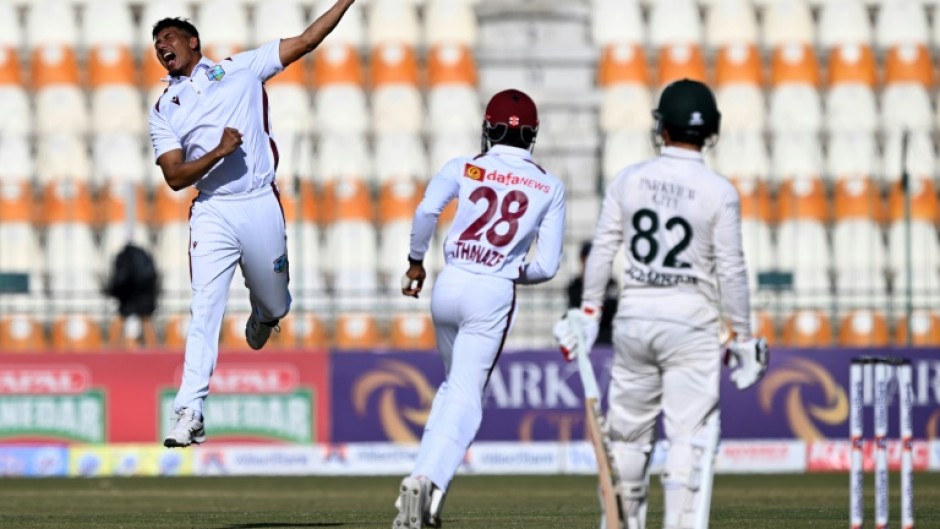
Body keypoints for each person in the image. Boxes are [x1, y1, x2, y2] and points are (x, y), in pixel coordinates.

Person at [553, 79, 769, 529]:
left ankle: (623, 521)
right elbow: (731, 270)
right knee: (689, 441)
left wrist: (589, 313)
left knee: (628, 440)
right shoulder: (719, 191)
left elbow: (601, 251)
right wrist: (744, 338)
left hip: (634, 320)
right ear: (710, 130)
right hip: (691, 325)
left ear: (663, 128)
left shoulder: (630, 179)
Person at [149, 1, 356, 448]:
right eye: (157, 43)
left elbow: (306, 40)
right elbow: (174, 177)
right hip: (213, 210)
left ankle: (265, 316)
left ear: (193, 42)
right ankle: (190, 409)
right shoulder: (164, 108)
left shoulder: (239, 69)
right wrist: (218, 154)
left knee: (277, 303)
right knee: (204, 307)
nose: (162, 45)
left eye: (169, 37)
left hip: (260, 201)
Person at [396, 89, 566, 528]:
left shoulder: (464, 166)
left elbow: (426, 211)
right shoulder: (548, 184)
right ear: (532, 135)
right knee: (468, 396)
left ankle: (423, 494)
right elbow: (546, 267)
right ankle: (427, 479)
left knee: (453, 389)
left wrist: (416, 262)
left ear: (488, 128)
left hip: (449, 282)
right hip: (490, 290)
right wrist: (508, 271)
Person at [567, 241, 618, 345]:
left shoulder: (611, 283)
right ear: (582, 259)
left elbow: (610, 312)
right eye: (589, 257)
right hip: (582, 339)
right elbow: (578, 314)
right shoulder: (575, 286)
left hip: (606, 339)